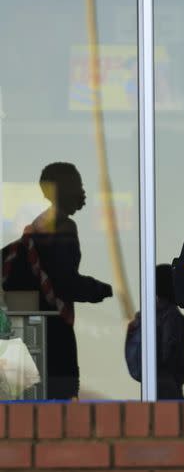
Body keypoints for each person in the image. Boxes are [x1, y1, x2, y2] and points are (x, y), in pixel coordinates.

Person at [2, 163, 113, 399]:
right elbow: (65, 282)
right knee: (58, 403)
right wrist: (100, 290)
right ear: (59, 190)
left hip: (27, 332)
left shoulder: (35, 228)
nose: (83, 192)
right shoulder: (62, 228)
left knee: (25, 402)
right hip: (53, 332)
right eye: (78, 185)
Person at [125, 264, 184, 399]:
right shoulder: (170, 315)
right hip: (166, 383)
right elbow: (169, 350)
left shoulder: (145, 315)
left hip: (152, 383)